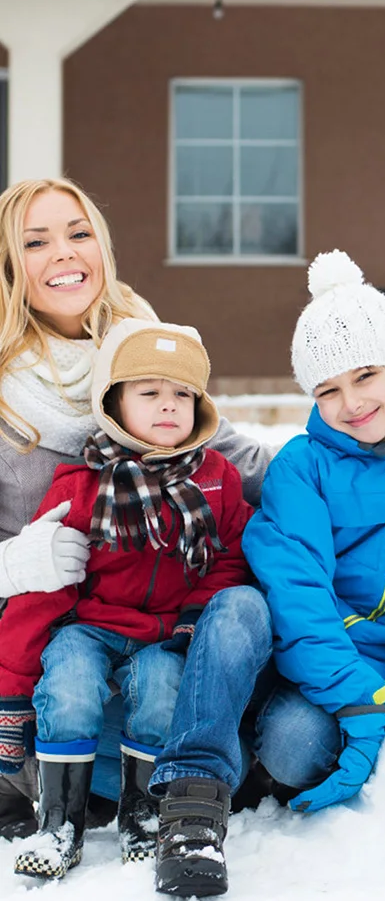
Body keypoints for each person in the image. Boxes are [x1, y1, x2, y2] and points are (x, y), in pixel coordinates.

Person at [0, 178, 272, 859]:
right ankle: (52, 791)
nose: (64, 253)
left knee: (167, 691)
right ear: (11, 264)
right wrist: (13, 563)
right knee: (76, 694)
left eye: (79, 232)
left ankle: (144, 795)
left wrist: (359, 450)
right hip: (38, 640)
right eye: (36, 241)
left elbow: (241, 461)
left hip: (147, 637)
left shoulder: (143, 353)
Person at [241, 249, 385, 813]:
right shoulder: (300, 467)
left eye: (366, 376)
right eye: (328, 390)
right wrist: (361, 699)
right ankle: (255, 758)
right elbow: (298, 597)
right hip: (325, 664)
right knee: (296, 747)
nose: (352, 403)